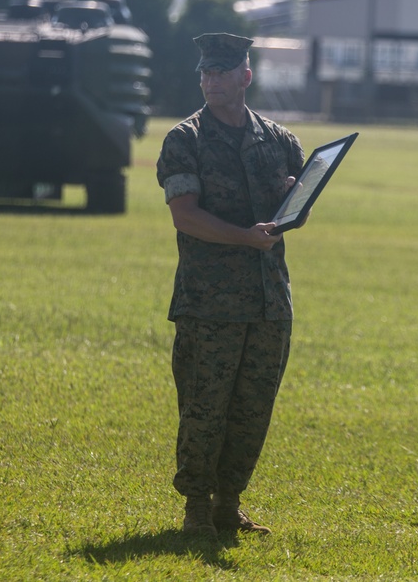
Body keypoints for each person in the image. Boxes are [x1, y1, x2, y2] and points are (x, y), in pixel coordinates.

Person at [155, 33, 305, 537]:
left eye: (222, 72)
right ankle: (197, 506)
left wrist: (292, 200)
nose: (211, 80)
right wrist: (245, 237)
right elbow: (186, 217)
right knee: (205, 406)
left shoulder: (279, 140)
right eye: (205, 72)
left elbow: (295, 210)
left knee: (251, 408)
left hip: (268, 301)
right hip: (210, 301)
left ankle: (229, 502)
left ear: (245, 75)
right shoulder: (186, 139)